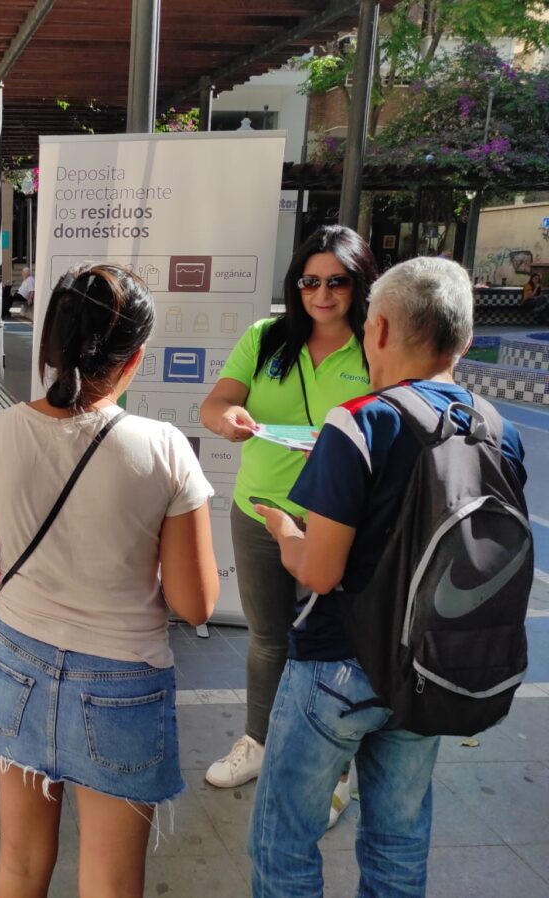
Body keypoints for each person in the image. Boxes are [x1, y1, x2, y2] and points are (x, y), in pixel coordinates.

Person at [247, 256, 526, 897]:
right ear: (464, 340)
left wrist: (284, 532)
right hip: (430, 667)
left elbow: (320, 570)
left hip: (337, 668)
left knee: (285, 835)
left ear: (378, 331)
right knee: (398, 842)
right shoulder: (498, 430)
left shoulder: (362, 420)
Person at [0, 263, 220, 898]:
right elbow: (195, 602)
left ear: (49, 344)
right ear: (137, 357)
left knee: (19, 862)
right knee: (112, 880)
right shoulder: (165, 449)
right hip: (122, 679)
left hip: (13, 662)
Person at [199, 225, 377, 828]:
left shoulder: (378, 346)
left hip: (341, 518)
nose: (322, 294)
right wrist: (230, 418)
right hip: (259, 508)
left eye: (337, 282)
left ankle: (338, 768)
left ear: (359, 284)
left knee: (339, 643)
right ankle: (258, 740)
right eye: (309, 281)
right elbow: (214, 404)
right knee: (268, 637)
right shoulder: (266, 337)